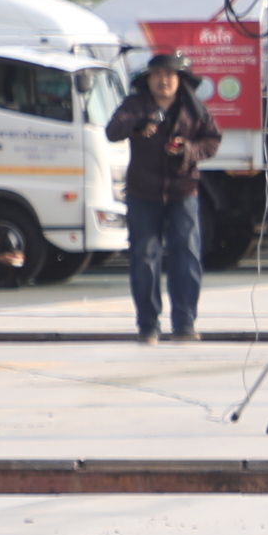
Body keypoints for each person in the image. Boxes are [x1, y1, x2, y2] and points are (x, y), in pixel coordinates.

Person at [104, 51, 219, 341]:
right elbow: (113, 130)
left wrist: (187, 150)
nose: (163, 81)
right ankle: (148, 325)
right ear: (148, 80)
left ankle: (185, 324)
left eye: (170, 75)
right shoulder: (134, 105)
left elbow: (212, 141)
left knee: (187, 256)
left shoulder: (194, 109)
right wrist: (137, 125)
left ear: (180, 80)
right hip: (144, 193)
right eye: (158, 75)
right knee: (144, 257)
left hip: (184, 191)